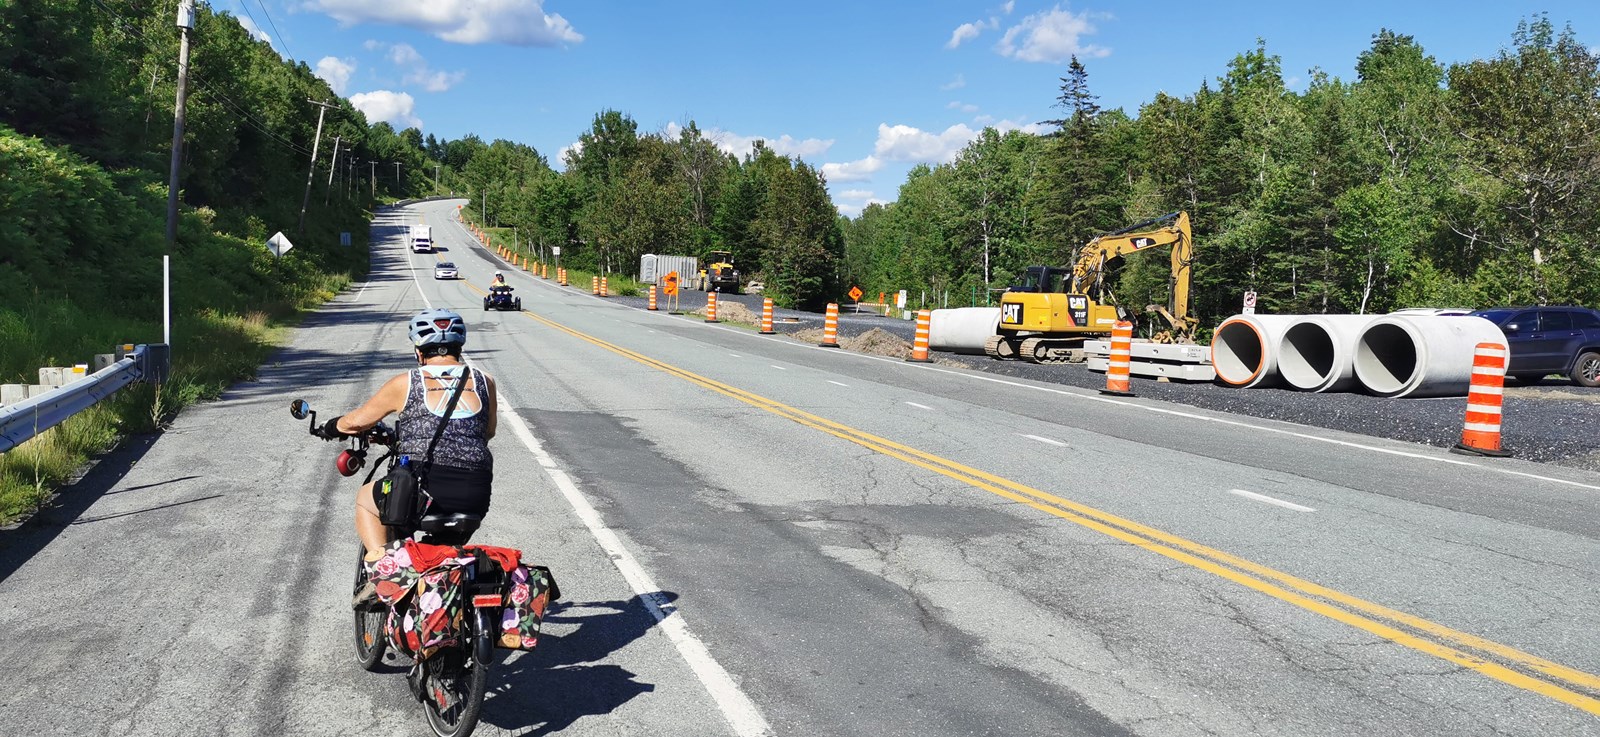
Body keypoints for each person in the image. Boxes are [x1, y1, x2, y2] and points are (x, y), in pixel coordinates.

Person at [321, 308, 498, 574]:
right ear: (459, 347)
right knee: (448, 549)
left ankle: (385, 571)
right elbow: (488, 432)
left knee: (366, 499)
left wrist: (332, 426)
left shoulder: (406, 382)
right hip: (475, 492)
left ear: (419, 351)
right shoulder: (485, 381)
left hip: (424, 489)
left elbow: (357, 421)